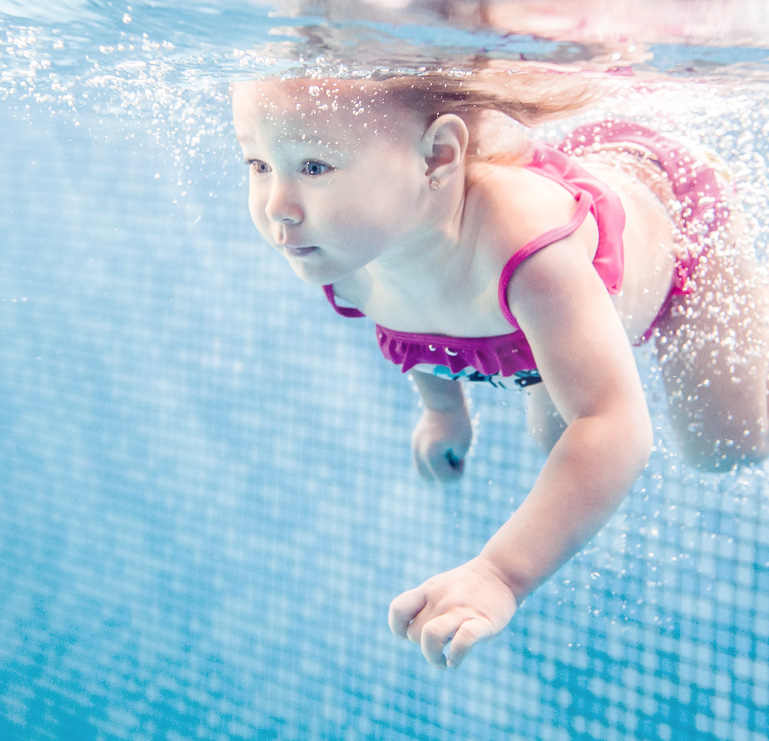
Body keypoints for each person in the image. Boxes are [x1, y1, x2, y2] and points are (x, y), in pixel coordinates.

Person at [231, 70, 768, 671]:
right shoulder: (348, 254)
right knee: (554, 437)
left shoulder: (528, 253)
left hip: (672, 204)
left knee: (726, 443)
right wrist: (443, 411)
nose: (277, 205)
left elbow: (615, 426)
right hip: (545, 302)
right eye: (257, 164)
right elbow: (417, 325)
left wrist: (500, 574)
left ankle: (708, 184)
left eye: (313, 168)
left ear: (437, 156)